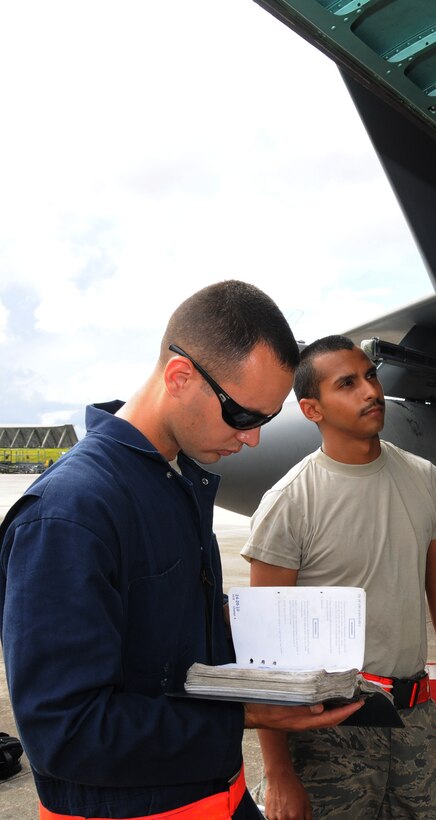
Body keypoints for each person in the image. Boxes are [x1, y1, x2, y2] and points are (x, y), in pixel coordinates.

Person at [0, 281, 363, 820]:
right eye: (244, 416)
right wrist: (243, 713)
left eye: (265, 419)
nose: (254, 439)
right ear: (179, 376)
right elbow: (65, 734)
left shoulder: (175, 481)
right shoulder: (69, 513)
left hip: (218, 794)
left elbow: (161, 643)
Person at [241, 334, 436, 819]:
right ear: (312, 409)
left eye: (370, 376)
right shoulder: (290, 503)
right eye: (347, 384)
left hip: (416, 720)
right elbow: (264, 652)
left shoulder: (424, 478)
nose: (370, 391)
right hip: (327, 731)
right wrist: (278, 773)